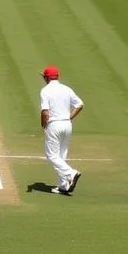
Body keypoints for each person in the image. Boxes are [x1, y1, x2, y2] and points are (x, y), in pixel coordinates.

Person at [39, 65, 83, 194]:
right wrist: (69, 117)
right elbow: (79, 104)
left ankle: (71, 173)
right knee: (61, 155)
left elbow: (45, 112)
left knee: (52, 155)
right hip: (67, 124)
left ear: (46, 78)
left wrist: (44, 125)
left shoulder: (45, 91)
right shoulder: (66, 89)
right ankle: (64, 185)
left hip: (54, 125)